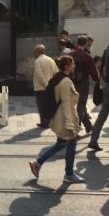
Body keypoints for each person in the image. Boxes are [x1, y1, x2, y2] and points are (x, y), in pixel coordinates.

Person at [28, 55, 85, 184]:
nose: (74, 66)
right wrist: (70, 124)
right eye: (72, 64)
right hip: (64, 118)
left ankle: (65, 172)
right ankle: (67, 173)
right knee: (65, 144)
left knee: (66, 144)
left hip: (61, 116)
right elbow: (66, 103)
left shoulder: (58, 78)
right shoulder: (65, 81)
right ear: (67, 66)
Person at [70, 37, 99, 134]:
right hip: (83, 83)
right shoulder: (87, 57)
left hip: (71, 82)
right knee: (81, 106)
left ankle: (88, 126)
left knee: (79, 106)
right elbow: (93, 72)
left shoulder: (71, 54)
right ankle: (76, 131)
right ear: (86, 44)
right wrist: (98, 81)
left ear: (77, 43)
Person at [32, 45, 58, 128]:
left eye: (34, 51)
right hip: (49, 86)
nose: (34, 53)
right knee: (47, 104)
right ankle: (48, 121)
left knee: (41, 105)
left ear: (38, 52)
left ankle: (44, 122)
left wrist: (45, 84)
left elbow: (39, 75)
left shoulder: (38, 61)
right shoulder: (50, 60)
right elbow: (56, 72)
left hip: (40, 87)